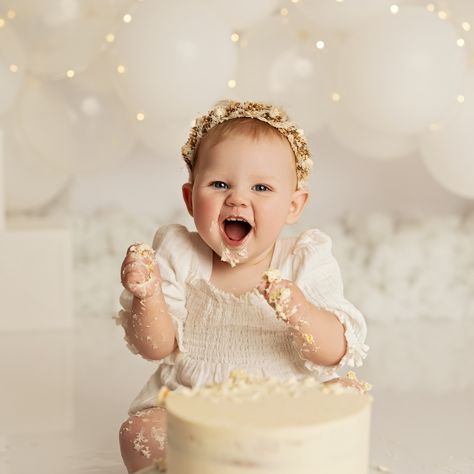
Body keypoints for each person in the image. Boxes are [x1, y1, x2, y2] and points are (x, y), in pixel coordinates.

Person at [117, 100, 369, 473]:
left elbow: (334, 351)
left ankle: (273, 461)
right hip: (197, 404)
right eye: (219, 184)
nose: (237, 198)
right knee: (139, 433)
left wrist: (298, 310)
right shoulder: (179, 252)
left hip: (285, 401)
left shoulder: (303, 258)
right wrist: (147, 296)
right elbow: (155, 347)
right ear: (189, 199)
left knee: (348, 396)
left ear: (293, 206)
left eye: (262, 187)